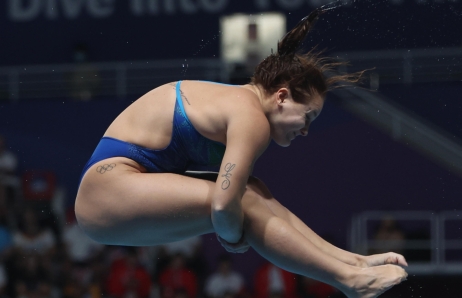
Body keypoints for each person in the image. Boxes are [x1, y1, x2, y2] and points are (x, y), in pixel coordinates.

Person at [75, 6, 408, 298]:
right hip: (106, 193)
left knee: (254, 191)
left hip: (112, 194)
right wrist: (233, 236)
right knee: (241, 201)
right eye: (307, 117)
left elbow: (232, 200)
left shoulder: (239, 104)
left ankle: (352, 262)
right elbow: (223, 206)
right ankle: (350, 281)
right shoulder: (251, 118)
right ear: (281, 96)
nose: (305, 130)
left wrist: (232, 224)